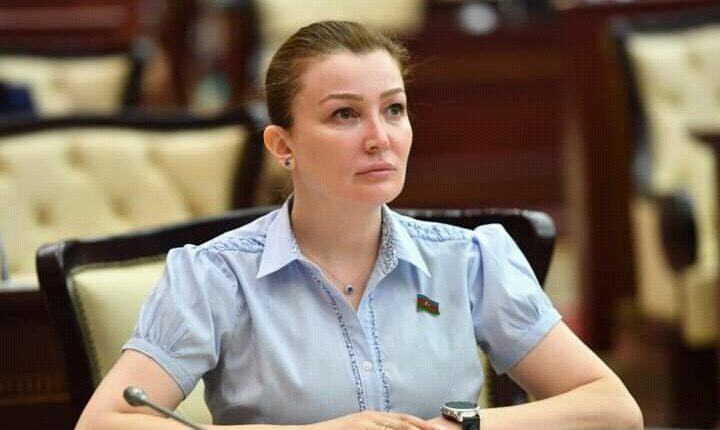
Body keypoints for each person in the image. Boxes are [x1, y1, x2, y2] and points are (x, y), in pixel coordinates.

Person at [75, 20, 643, 430]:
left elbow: (612, 406)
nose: (380, 137)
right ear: (282, 145)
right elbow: (104, 422)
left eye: (394, 109)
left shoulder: (469, 260)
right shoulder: (214, 276)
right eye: (345, 114)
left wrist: (462, 426)